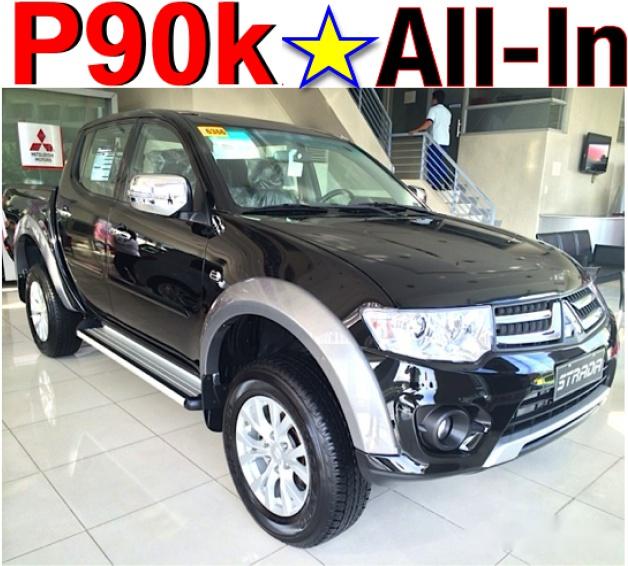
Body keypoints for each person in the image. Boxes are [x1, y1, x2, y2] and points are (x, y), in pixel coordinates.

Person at [409, 90, 452, 190]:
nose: (431, 101)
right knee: (439, 163)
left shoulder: (434, 110)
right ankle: (446, 179)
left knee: (432, 163)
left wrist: (416, 130)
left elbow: (428, 123)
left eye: (432, 99)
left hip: (436, 140)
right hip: (445, 141)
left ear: (435, 99)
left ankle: (435, 184)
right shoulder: (447, 112)